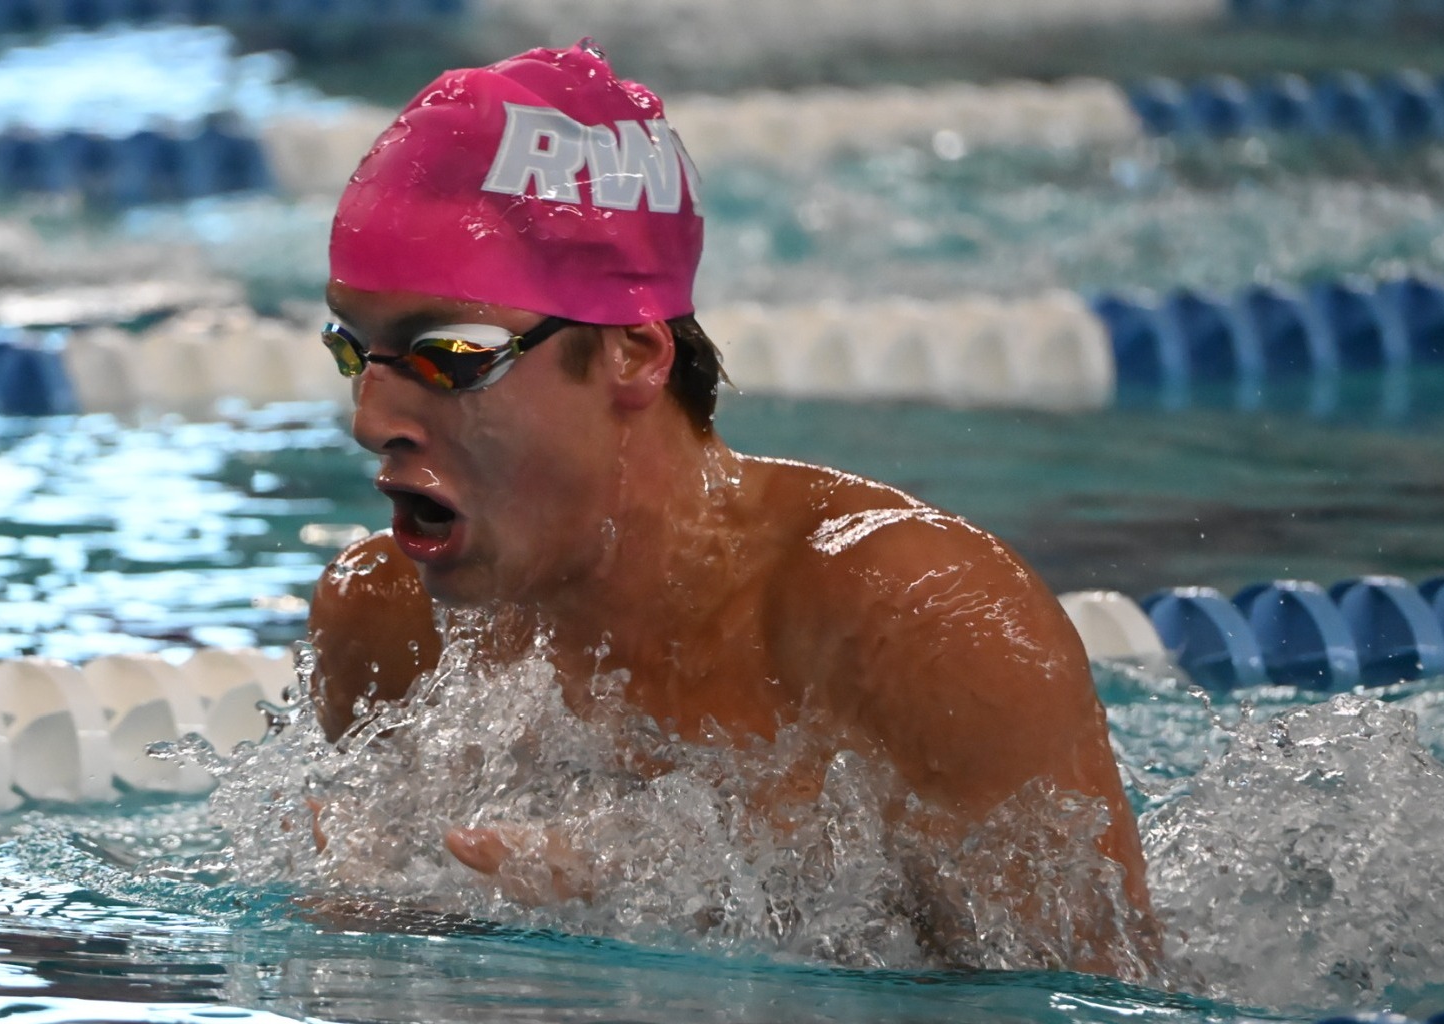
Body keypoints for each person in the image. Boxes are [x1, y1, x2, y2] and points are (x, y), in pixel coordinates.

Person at [303, 41, 1158, 975]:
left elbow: (1084, 998)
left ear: (633, 353)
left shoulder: (919, 628)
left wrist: (693, 927)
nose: (370, 418)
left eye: (448, 353)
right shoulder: (385, 619)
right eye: (355, 350)